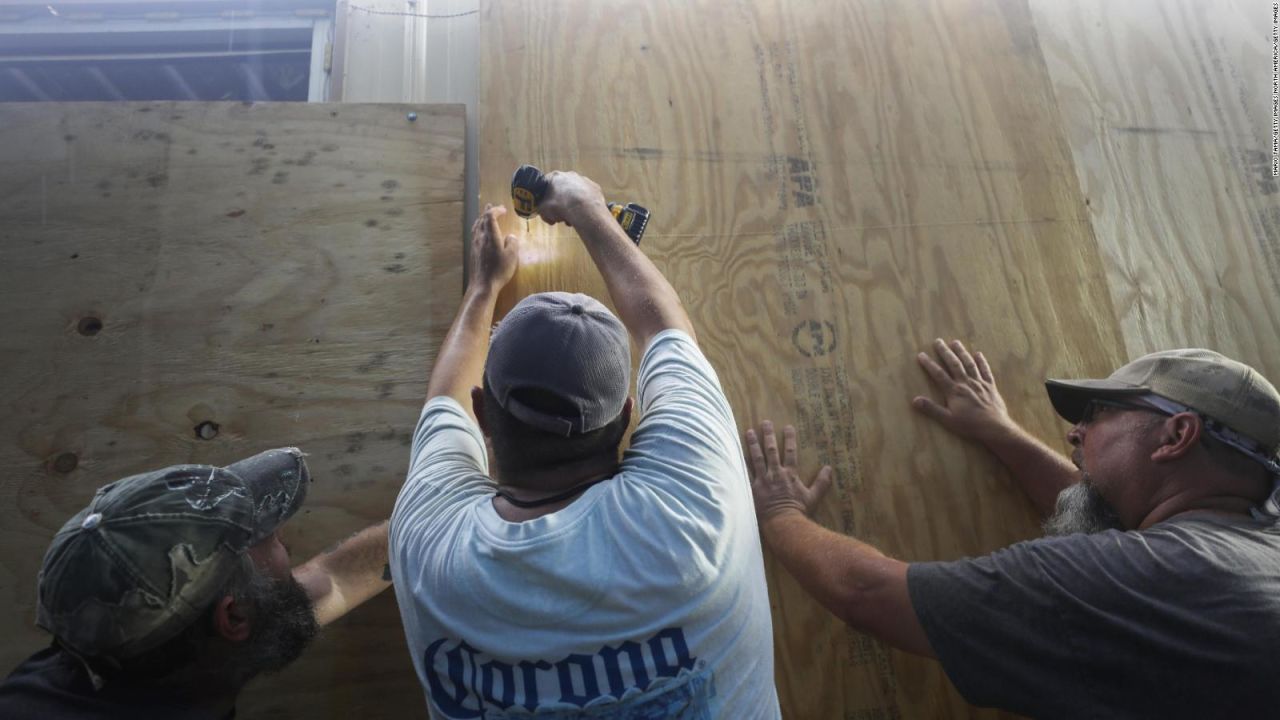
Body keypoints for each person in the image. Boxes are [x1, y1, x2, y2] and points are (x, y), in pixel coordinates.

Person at [390, 177, 779, 718]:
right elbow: (664, 327)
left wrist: (484, 290)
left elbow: (444, 405)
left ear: (484, 416)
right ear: (626, 418)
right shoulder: (694, 509)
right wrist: (587, 210)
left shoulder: (430, 548)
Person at [748, 338, 1280, 719]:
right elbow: (1095, 511)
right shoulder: (1255, 545)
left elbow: (868, 593)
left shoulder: (1141, 580)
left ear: (1175, 436)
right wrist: (1001, 433)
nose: (1075, 432)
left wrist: (779, 514)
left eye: (1098, 413)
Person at [0, 447, 392, 719]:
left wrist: (432, 527)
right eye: (269, 539)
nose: (284, 540)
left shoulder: (90, 663)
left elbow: (333, 578)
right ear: (235, 618)